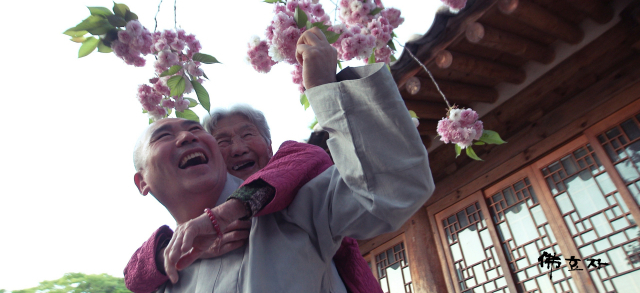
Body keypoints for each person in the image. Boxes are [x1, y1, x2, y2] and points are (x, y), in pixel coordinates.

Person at [130, 27, 434, 292]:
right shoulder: (165, 269)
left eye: (195, 128)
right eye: (163, 136)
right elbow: (133, 275)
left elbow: (397, 185)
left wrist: (326, 89)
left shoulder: (296, 206)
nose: (187, 137)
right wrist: (162, 256)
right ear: (141, 182)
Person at [125, 104, 383, 293]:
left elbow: (309, 157)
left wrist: (227, 213)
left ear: (271, 148)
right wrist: (166, 255)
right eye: (222, 141)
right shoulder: (181, 250)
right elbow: (132, 275)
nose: (238, 148)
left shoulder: (300, 195)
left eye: (248, 135)